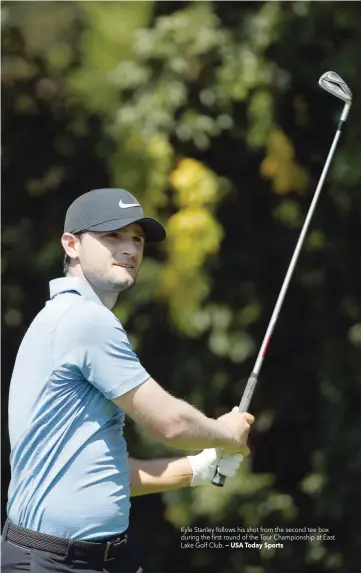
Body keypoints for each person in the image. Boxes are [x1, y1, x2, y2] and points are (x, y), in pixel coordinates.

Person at [2, 188, 254, 573]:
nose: (130, 249)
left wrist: (197, 468)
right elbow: (172, 424)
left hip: (94, 557)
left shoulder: (62, 315)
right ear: (71, 244)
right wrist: (225, 432)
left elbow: (102, 471)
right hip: (55, 561)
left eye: (136, 239)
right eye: (112, 236)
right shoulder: (87, 320)